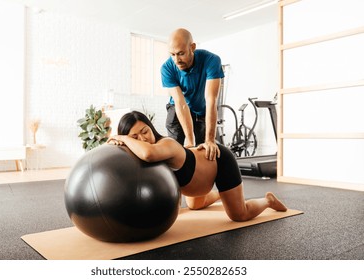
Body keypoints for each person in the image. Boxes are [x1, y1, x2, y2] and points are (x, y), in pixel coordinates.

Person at [107, 111, 287, 222]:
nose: (143, 139)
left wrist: (123, 138)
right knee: (193, 205)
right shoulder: (138, 150)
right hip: (196, 185)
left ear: (151, 128)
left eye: (144, 131)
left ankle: (268, 201)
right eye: (135, 137)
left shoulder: (166, 144)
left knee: (239, 215)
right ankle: (221, 196)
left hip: (218, 162)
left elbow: (149, 153)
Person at [161, 28, 224, 161]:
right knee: (176, 152)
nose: (176, 60)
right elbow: (181, 103)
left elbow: (211, 100)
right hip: (177, 108)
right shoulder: (167, 68)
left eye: (181, 53)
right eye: (172, 54)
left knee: (205, 151)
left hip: (200, 110)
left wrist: (210, 140)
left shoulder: (211, 60)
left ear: (192, 47)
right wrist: (190, 142)